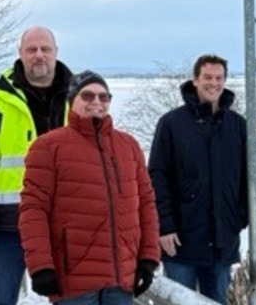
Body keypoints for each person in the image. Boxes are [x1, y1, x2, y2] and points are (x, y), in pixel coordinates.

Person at [18, 70, 160, 304]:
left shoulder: (128, 146)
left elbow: (145, 204)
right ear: (72, 101)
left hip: (121, 279)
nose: (96, 102)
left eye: (103, 97)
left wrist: (149, 257)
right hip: (74, 282)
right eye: (87, 96)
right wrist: (41, 266)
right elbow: (33, 210)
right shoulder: (48, 147)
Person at [0, 26, 73, 304]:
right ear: (20, 54)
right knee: (2, 297)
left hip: (64, 219)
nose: (39, 56)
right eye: (31, 50)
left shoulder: (77, 95)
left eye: (45, 49)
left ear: (56, 53)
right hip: (9, 221)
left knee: (71, 296)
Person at [148, 54, 248, 304]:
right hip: (181, 241)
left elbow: (248, 179)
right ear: (195, 79)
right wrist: (165, 226)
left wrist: (238, 219)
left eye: (219, 78)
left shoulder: (237, 126)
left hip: (222, 243)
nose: (213, 83)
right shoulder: (172, 124)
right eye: (207, 77)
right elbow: (157, 177)